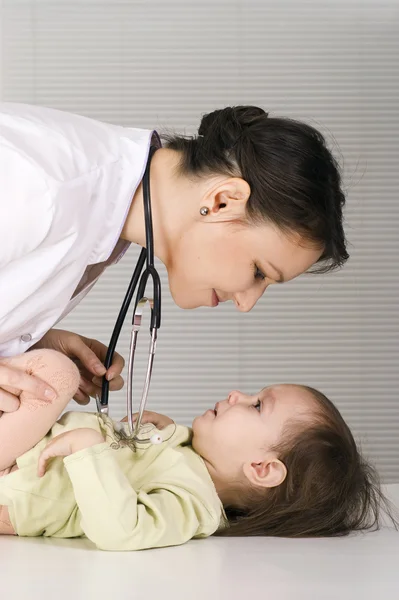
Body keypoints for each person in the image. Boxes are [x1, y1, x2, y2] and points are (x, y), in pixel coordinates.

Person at [0, 103, 348, 413]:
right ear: (222, 201)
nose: (246, 304)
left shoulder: (105, 208)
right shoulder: (41, 185)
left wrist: (25, 337)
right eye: (259, 272)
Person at [0, 350, 394, 550]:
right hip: (22, 455)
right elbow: (146, 467)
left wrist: (89, 448)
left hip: (18, 486)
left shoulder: (194, 505)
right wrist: (165, 435)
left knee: (56, 373)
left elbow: (122, 531)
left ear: (261, 468)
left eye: (257, 405)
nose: (237, 394)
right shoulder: (189, 455)